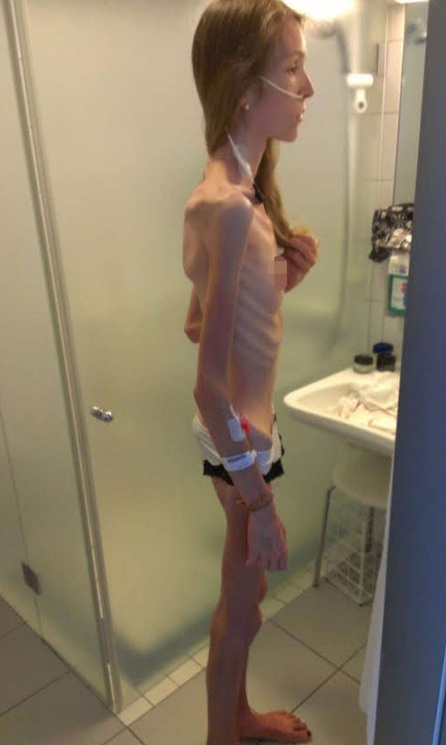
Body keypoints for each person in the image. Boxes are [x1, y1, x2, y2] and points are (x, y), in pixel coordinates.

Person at [183, 1, 318, 743]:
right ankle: (223, 734)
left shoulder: (239, 195)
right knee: (243, 606)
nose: (307, 89)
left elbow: (198, 321)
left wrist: (283, 275)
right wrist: (259, 502)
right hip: (237, 437)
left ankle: (236, 718)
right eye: (293, 69)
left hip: (241, 436)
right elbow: (206, 385)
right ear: (244, 88)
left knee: (246, 596)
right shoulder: (230, 208)